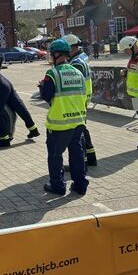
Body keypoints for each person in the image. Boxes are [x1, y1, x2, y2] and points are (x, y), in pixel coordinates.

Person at [39, 39, 88, 196]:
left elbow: (47, 96)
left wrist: (42, 86)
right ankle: (80, 185)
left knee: (55, 156)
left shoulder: (52, 74)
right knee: (77, 155)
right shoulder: (78, 72)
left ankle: (58, 186)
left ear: (56, 54)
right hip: (78, 122)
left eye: (51, 54)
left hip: (59, 124)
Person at [63, 34, 97, 166]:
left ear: (72, 47)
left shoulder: (76, 63)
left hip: (78, 99)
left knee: (77, 131)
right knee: (81, 128)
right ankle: (90, 156)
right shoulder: (81, 57)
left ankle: (80, 162)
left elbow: (72, 83)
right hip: (83, 97)